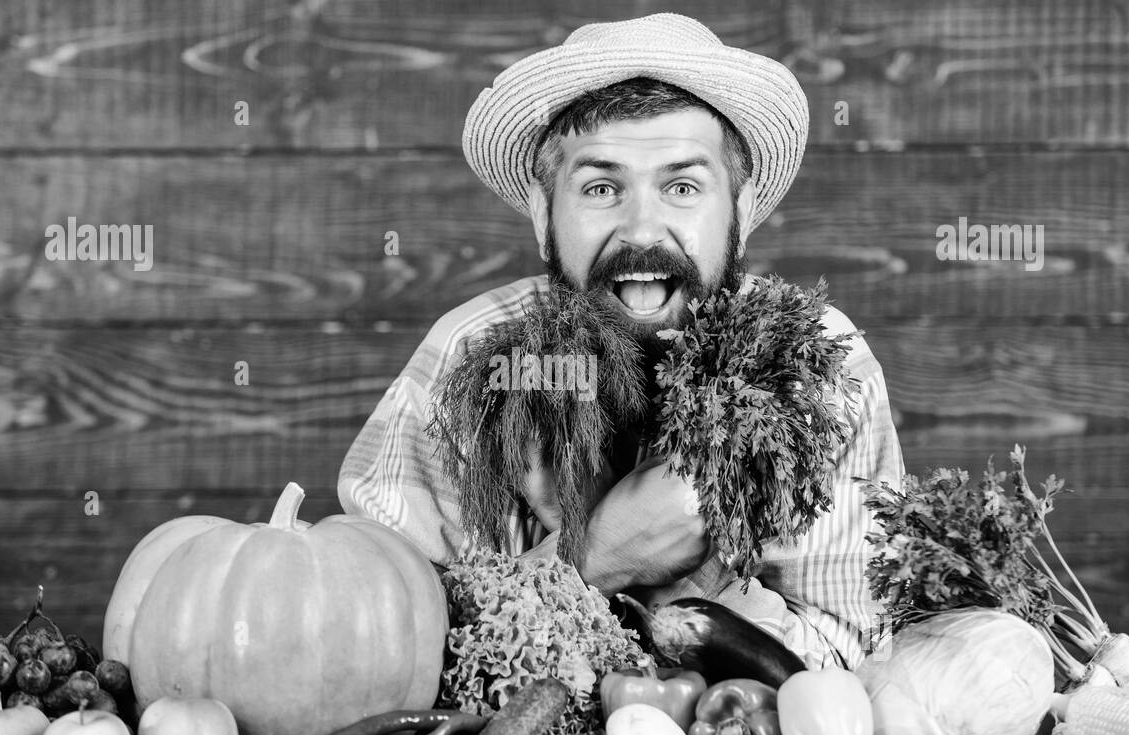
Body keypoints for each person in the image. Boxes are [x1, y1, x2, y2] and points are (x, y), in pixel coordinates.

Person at [337, 13, 906, 670]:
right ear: (544, 216)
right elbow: (369, 647)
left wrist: (685, 589)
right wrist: (594, 555)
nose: (642, 228)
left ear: (741, 212)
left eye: (683, 185)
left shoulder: (820, 369)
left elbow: (851, 663)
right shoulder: (469, 362)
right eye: (601, 187)